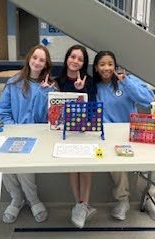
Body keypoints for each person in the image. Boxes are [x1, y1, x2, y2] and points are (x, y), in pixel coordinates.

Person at [92, 50, 155, 222]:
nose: (106, 68)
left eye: (110, 64)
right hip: (109, 137)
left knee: (147, 161)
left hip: (134, 133)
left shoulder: (127, 80)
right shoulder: (94, 88)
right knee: (114, 165)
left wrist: (127, 83)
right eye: (102, 64)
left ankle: (149, 199)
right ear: (96, 68)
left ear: (115, 66)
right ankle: (122, 201)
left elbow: (149, 100)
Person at [0, 45, 57, 224]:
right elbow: (3, 110)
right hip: (12, 132)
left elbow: (51, 116)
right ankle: (16, 197)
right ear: (29, 59)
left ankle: (32, 199)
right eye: (35, 58)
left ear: (46, 64)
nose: (37, 62)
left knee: (24, 165)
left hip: (38, 136)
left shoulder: (51, 86)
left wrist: (45, 93)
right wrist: (13, 129)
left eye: (42, 60)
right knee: (5, 163)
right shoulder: (14, 82)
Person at [55, 44, 97, 228]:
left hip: (85, 130)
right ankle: (79, 204)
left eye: (80, 59)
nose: (75, 61)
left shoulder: (89, 81)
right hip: (64, 132)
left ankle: (83, 205)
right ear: (67, 58)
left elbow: (93, 108)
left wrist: (81, 90)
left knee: (86, 168)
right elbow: (54, 109)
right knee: (73, 167)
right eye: (73, 57)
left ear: (83, 63)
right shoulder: (58, 80)